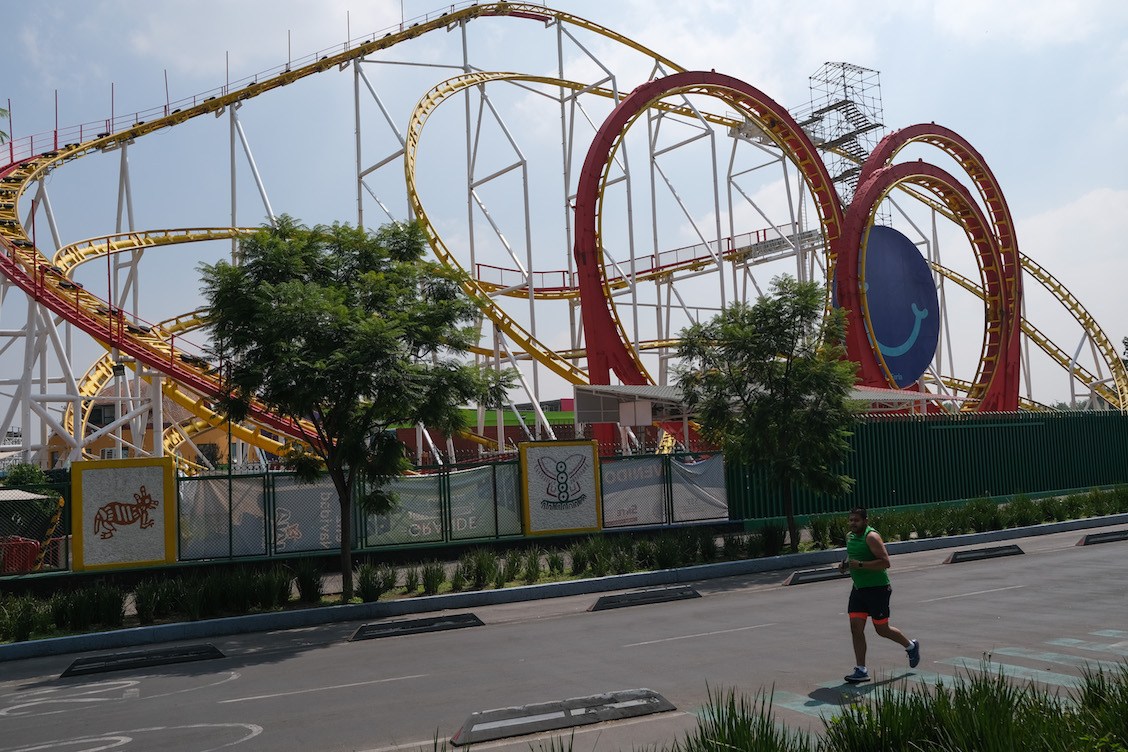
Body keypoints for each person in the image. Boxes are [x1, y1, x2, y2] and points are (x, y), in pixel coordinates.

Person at [838, 506, 920, 683]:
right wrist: (845, 565)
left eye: (856, 520)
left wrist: (859, 565)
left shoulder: (871, 537)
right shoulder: (850, 536)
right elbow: (852, 554)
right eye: (850, 520)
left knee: (882, 630)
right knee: (855, 628)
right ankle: (861, 670)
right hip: (859, 589)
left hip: (878, 589)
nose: (853, 523)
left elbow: (885, 563)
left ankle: (911, 646)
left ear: (865, 521)